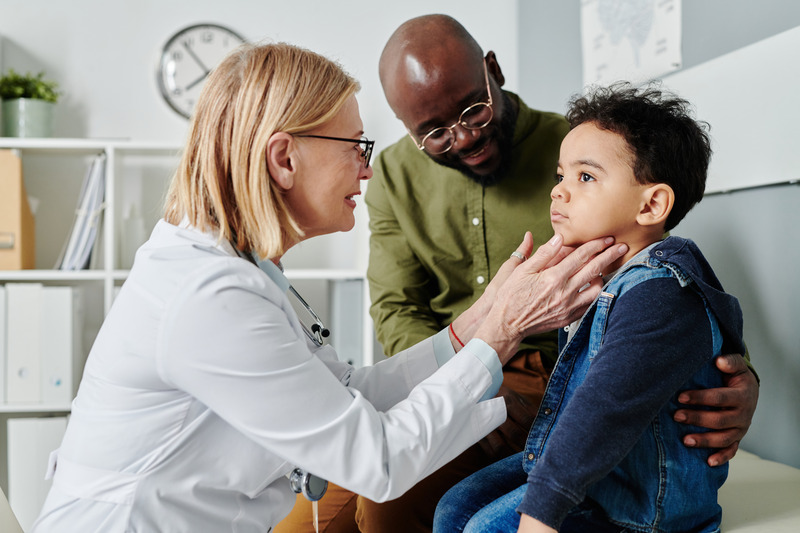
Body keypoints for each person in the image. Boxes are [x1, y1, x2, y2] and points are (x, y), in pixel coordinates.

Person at [31, 42, 628, 532]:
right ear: (284, 158)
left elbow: (348, 391)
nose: (367, 168)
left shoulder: (241, 268)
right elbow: (380, 459)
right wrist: (501, 330)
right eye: (354, 147)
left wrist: (476, 325)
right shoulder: (208, 297)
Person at [277, 13, 759, 533]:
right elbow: (396, 309)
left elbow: (671, 312)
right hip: (450, 370)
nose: (462, 138)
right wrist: (464, 380)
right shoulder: (394, 174)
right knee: (303, 523)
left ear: (493, 70)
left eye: (473, 111)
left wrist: (739, 375)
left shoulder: (586, 144)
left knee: (387, 509)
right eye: (435, 133)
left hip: (553, 384)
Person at [433, 83, 746, 533]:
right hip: (603, 473)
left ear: (652, 204)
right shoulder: (597, 280)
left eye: (585, 177)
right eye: (561, 176)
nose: (558, 192)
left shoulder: (662, 295)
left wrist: (542, 515)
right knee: (454, 508)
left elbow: (603, 411)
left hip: (639, 506)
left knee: (482, 527)